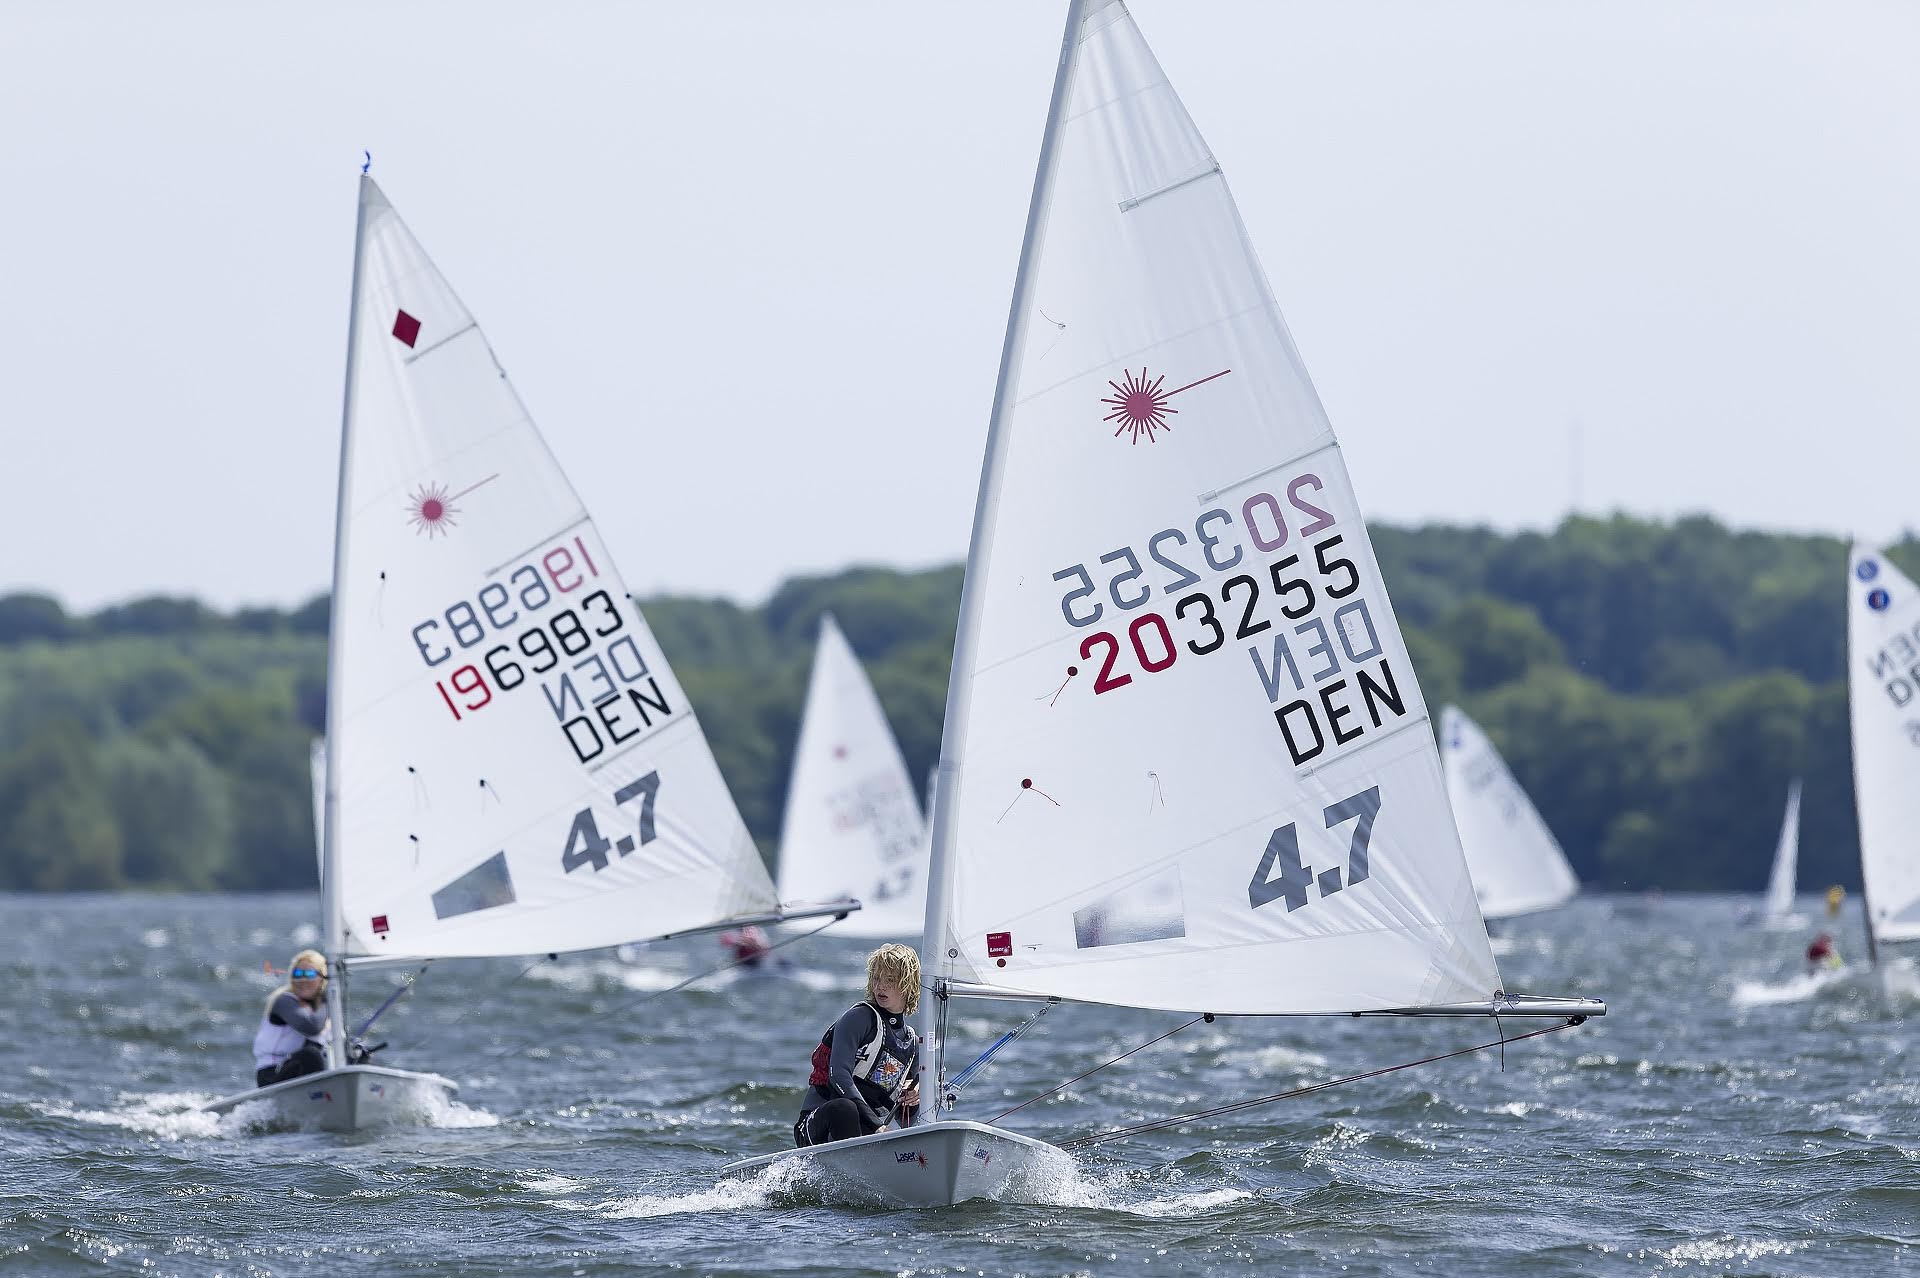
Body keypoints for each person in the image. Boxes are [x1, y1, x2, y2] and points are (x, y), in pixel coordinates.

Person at [794, 942, 921, 1147]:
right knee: (844, 1109)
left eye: (890, 979)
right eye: (877, 978)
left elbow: (907, 1121)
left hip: (866, 1136)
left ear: (907, 984)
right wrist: (876, 1126)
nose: (881, 986)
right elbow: (839, 1077)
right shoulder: (860, 1018)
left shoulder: (911, 1044)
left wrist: (913, 1097)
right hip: (816, 1127)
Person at [253, 949, 331, 1087]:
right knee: (311, 1055)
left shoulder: (321, 1009)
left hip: (300, 1072)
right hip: (271, 1074)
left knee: (358, 1052)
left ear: (322, 979)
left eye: (309, 974)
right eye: (298, 974)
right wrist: (328, 999)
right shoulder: (284, 1000)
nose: (302, 979)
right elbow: (311, 1027)